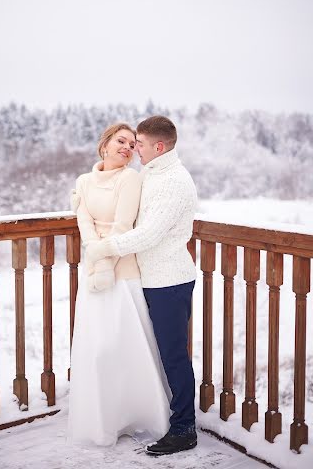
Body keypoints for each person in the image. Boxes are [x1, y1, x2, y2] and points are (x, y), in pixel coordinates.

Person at [86, 115, 198, 456]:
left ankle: (184, 429)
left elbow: (149, 235)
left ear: (159, 147)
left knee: (174, 356)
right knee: (159, 352)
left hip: (169, 281)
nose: (136, 150)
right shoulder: (151, 173)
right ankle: (164, 415)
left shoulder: (174, 181)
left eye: (141, 144)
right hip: (149, 279)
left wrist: (104, 248)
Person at [67, 122, 170, 447]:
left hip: (122, 273)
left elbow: (124, 227)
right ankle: (103, 421)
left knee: (122, 346)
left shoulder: (130, 179)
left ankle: (140, 414)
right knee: (96, 349)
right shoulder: (84, 181)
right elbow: (84, 223)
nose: (126, 148)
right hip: (94, 271)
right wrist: (96, 267)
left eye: (131, 144)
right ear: (105, 145)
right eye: (120, 141)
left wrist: (106, 268)